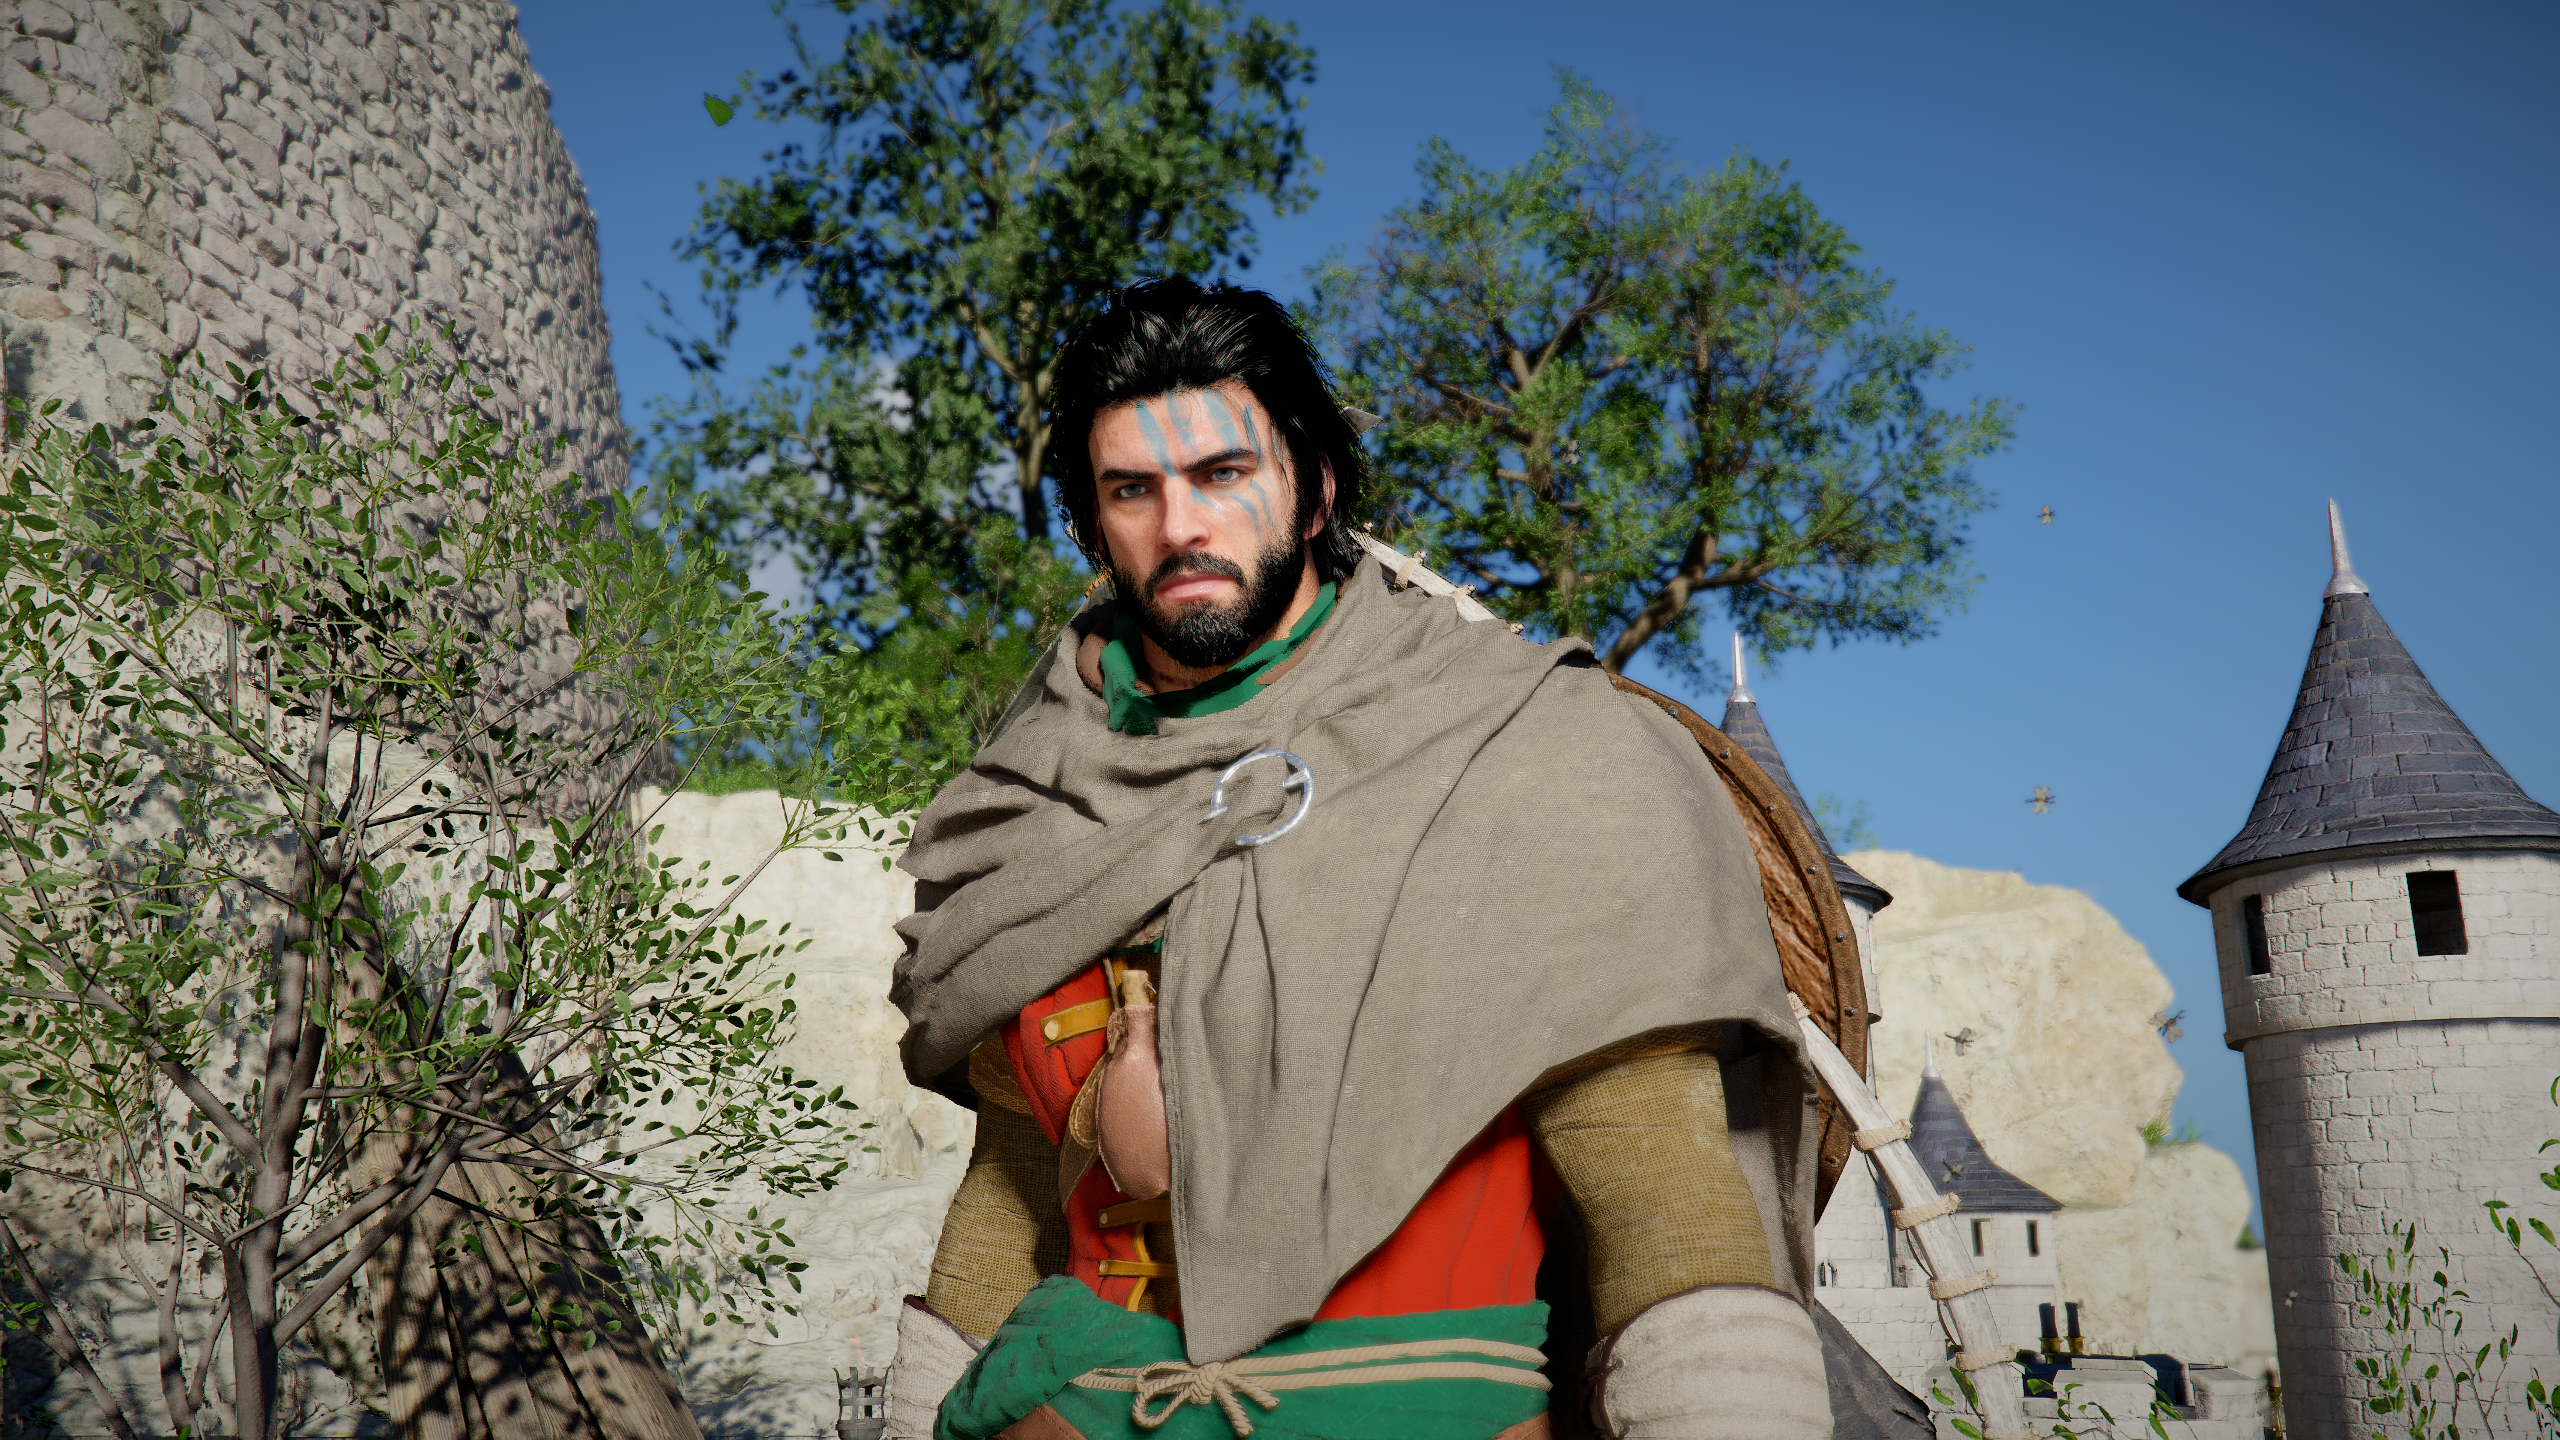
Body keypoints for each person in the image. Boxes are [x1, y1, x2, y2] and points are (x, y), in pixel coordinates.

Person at [885, 278, 1833, 1440]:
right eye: (1132, 489)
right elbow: (1013, 1190)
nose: (1181, 525)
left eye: (1223, 474)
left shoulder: (1521, 748)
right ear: (1092, 524)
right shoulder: (1028, 799)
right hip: (1067, 1408)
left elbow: (1658, 1185)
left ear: (1314, 485)